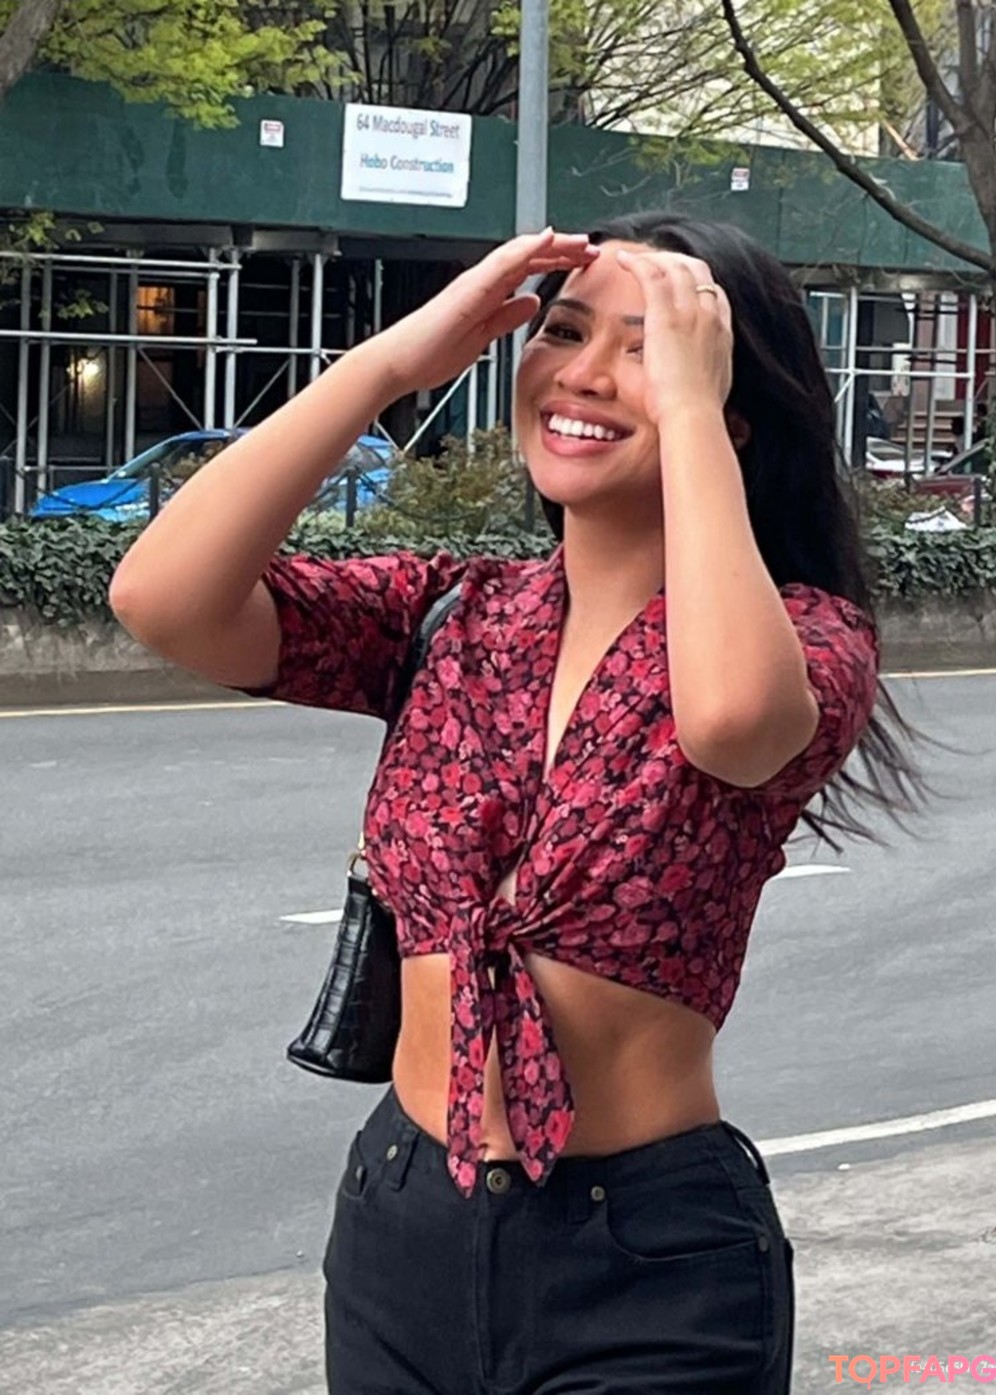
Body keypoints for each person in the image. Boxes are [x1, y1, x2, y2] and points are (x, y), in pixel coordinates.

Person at [109, 213, 919, 1395]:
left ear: (732, 412)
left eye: (646, 348)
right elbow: (162, 599)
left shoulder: (807, 640)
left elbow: (734, 723)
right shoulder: (452, 613)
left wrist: (690, 413)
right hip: (402, 1225)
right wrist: (389, 366)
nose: (583, 374)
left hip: (646, 1258)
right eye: (565, 332)